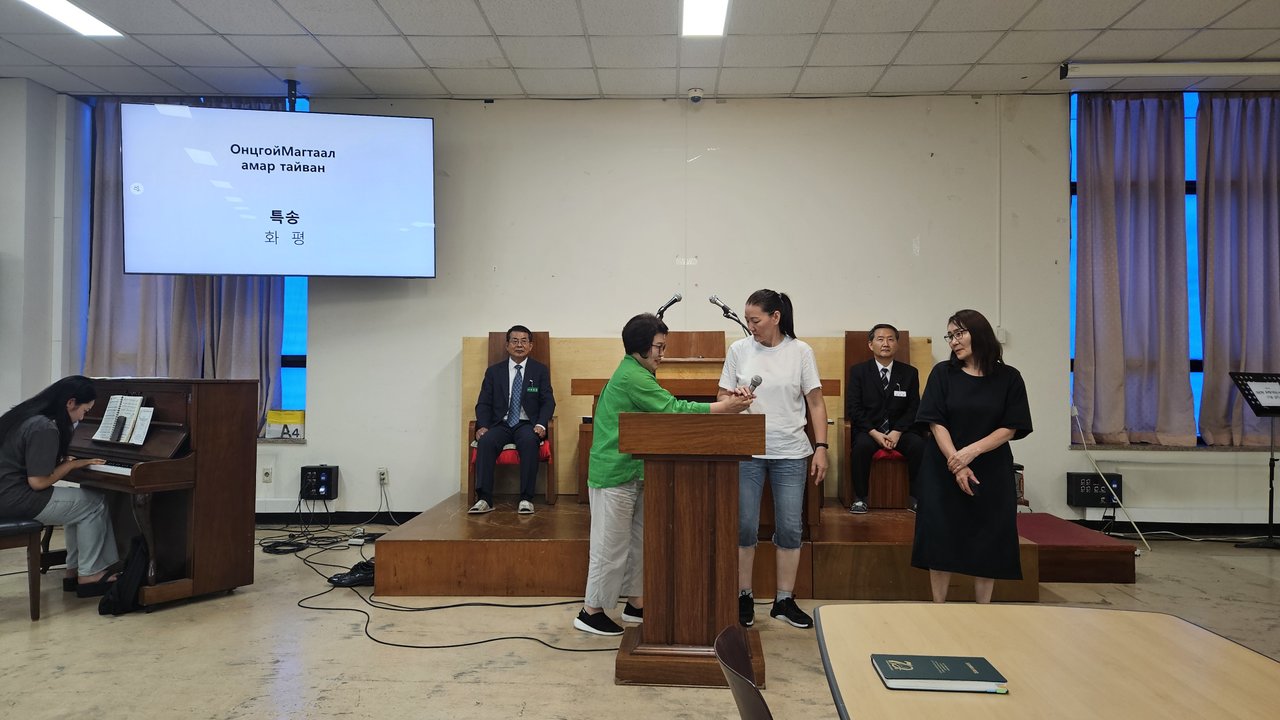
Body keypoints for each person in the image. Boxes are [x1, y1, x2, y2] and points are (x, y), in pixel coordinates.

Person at [574, 313, 753, 636]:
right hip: (614, 472)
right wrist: (723, 408)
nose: (662, 354)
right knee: (610, 546)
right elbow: (673, 410)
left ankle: (636, 604)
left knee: (639, 544)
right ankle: (591, 611)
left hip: (635, 471)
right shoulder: (633, 376)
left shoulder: (640, 372)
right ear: (641, 347)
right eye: (658, 347)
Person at [718, 289, 828, 630]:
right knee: (744, 525)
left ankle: (784, 599)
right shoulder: (739, 350)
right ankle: (743, 595)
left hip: (791, 451)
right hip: (748, 450)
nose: (750, 326)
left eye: (756, 320)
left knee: (791, 527)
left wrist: (821, 446)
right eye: (747, 320)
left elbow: (815, 402)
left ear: (776, 317)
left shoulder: (800, 351)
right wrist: (734, 399)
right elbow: (721, 396)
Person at [910, 309, 1032, 603]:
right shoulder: (943, 373)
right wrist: (957, 462)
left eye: (959, 333)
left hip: (990, 467)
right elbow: (935, 421)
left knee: (988, 536)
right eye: (950, 335)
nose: (953, 341)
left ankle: (983, 608)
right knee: (940, 535)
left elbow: (1011, 426)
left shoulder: (1009, 378)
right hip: (943, 466)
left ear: (979, 333)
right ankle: (938, 606)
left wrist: (972, 451)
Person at [0, 375, 120, 598]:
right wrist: (71, 465)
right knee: (95, 503)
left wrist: (63, 463)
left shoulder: (26, 417)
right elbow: (38, 483)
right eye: (85, 410)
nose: (83, 418)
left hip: (6, 495)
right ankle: (90, 573)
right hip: (14, 499)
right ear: (70, 403)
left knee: (79, 501)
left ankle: (74, 570)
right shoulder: (45, 427)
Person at [471, 325, 556, 515]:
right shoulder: (494, 372)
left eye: (524, 341)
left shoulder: (539, 371)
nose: (519, 345)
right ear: (507, 345)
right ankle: (484, 499)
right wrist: (482, 426)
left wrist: (541, 424)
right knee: (486, 441)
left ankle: (526, 498)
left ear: (530, 346)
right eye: (515, 341)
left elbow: (548, 401)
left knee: (530, 441)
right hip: (500, 423)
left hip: (526, 424)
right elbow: (483, 403)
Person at [845, 324, 924, 513]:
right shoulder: (859, 372)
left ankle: (916, 498)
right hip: (870, 430)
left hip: (900, 431)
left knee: (919, 446)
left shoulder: (909, 373)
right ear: (870, 344)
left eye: (890, 339)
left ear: (897, 344)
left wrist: (897, 432)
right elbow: (854, 408)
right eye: (880, 339)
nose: (885, 343)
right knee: (861, 447)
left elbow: (914, 408)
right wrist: (874, 433)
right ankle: (860, 498)